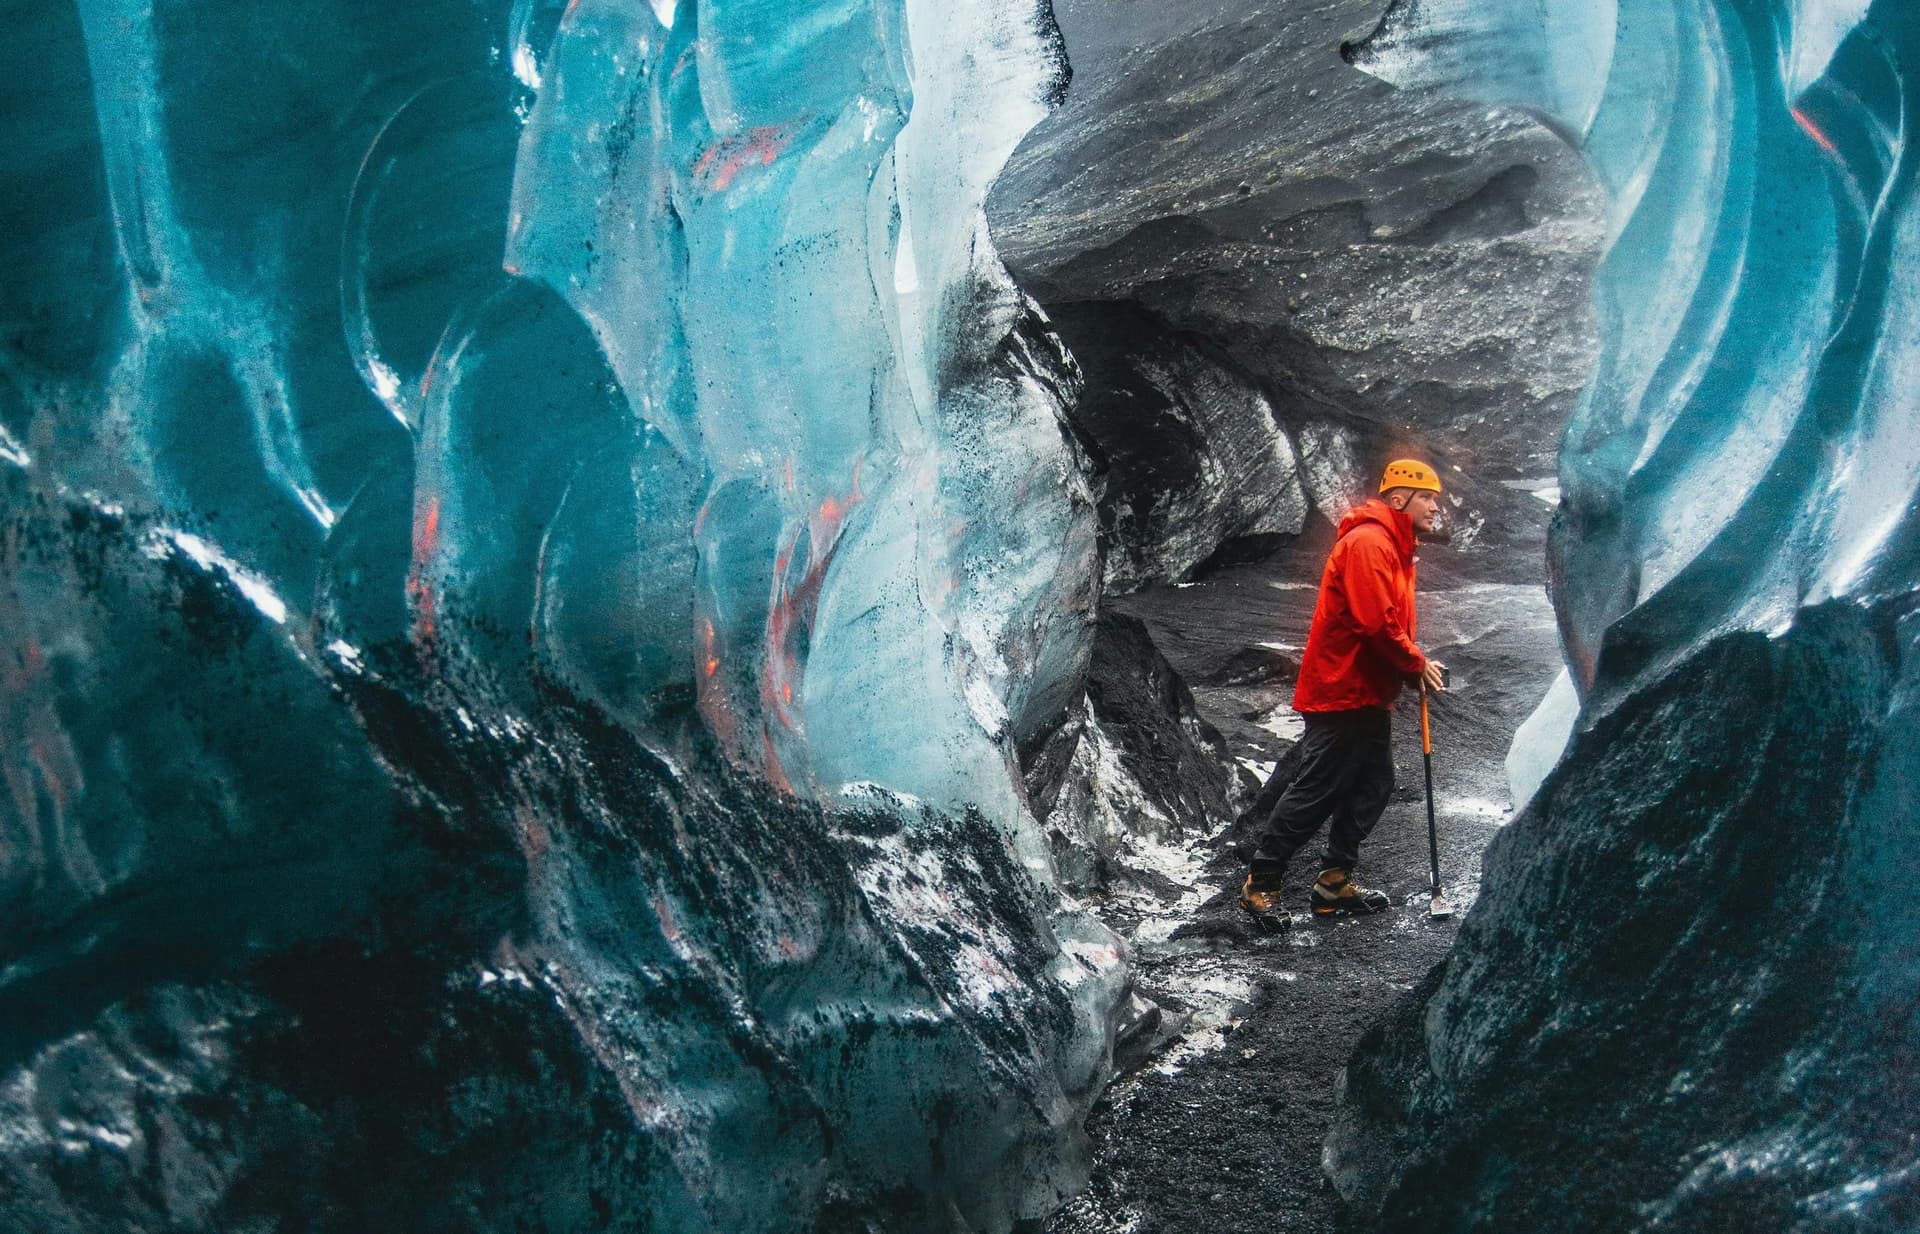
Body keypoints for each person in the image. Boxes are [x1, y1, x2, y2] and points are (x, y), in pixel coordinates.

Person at [1239, 458, 1448, 932]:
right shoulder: (1370, 543)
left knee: (1374, 784)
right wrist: (1413, 662)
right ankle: (1261, 883)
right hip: (1342, 689)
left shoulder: (1392, 545)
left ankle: (1334, 884)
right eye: (1429, 497)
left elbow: (1386, 621)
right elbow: (1374, 621)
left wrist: (1405, 666)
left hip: (1365, 690)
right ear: (1400, 499)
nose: (1437, 507)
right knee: (1318, 788)